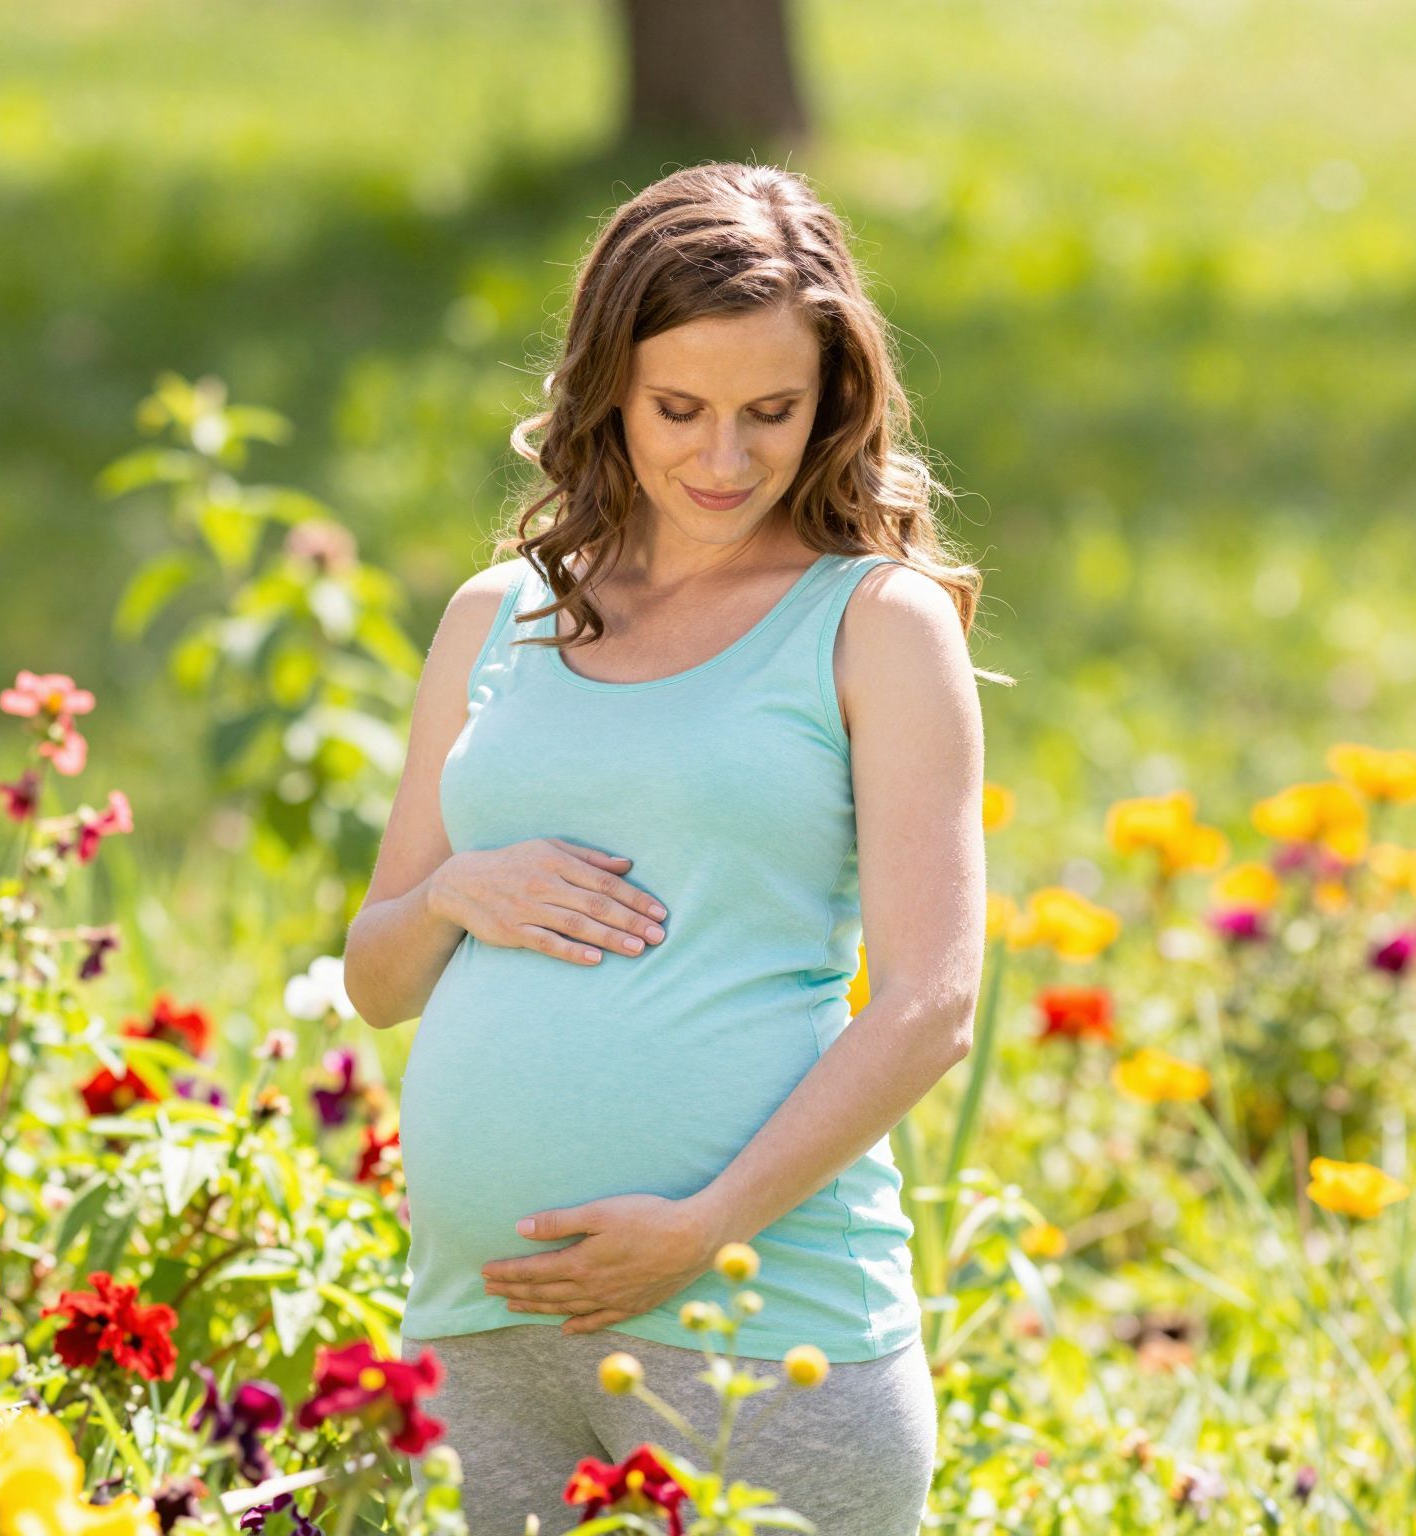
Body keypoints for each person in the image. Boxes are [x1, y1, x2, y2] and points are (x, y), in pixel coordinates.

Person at [341, 161, 1007, 1535]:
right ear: (607, 392)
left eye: (771, 411)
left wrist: (705, 1225)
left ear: (835, 398)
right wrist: (458, 891)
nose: (724, 459)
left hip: (766, 1328)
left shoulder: (874, 623)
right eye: (678, 410)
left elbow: (934, 1003)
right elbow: (377, 974)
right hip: (483, 1334)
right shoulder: (494, 615)